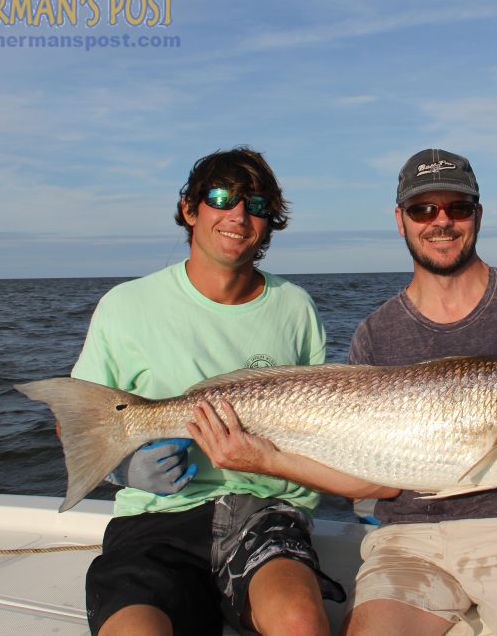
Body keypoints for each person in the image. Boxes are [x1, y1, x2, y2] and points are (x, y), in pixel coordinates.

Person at [189, 149, 497, 636]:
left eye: (458, 209)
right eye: (424, 210)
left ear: (478, 216)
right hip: (407, 539)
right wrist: (264, 458)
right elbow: (376, 484)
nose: (441, 222)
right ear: (400, 219)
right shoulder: (375, 332)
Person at [71, 146, 343, 636]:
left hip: (267, 511)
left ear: (269, 224)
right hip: (156, 518)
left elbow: (322, 425)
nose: (238, 215)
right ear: (190, 210)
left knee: (300, 622)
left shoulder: (296, 306)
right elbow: (78, 418)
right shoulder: (125, 306)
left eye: (256, 206)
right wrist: (119, 468)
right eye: (222, 198)